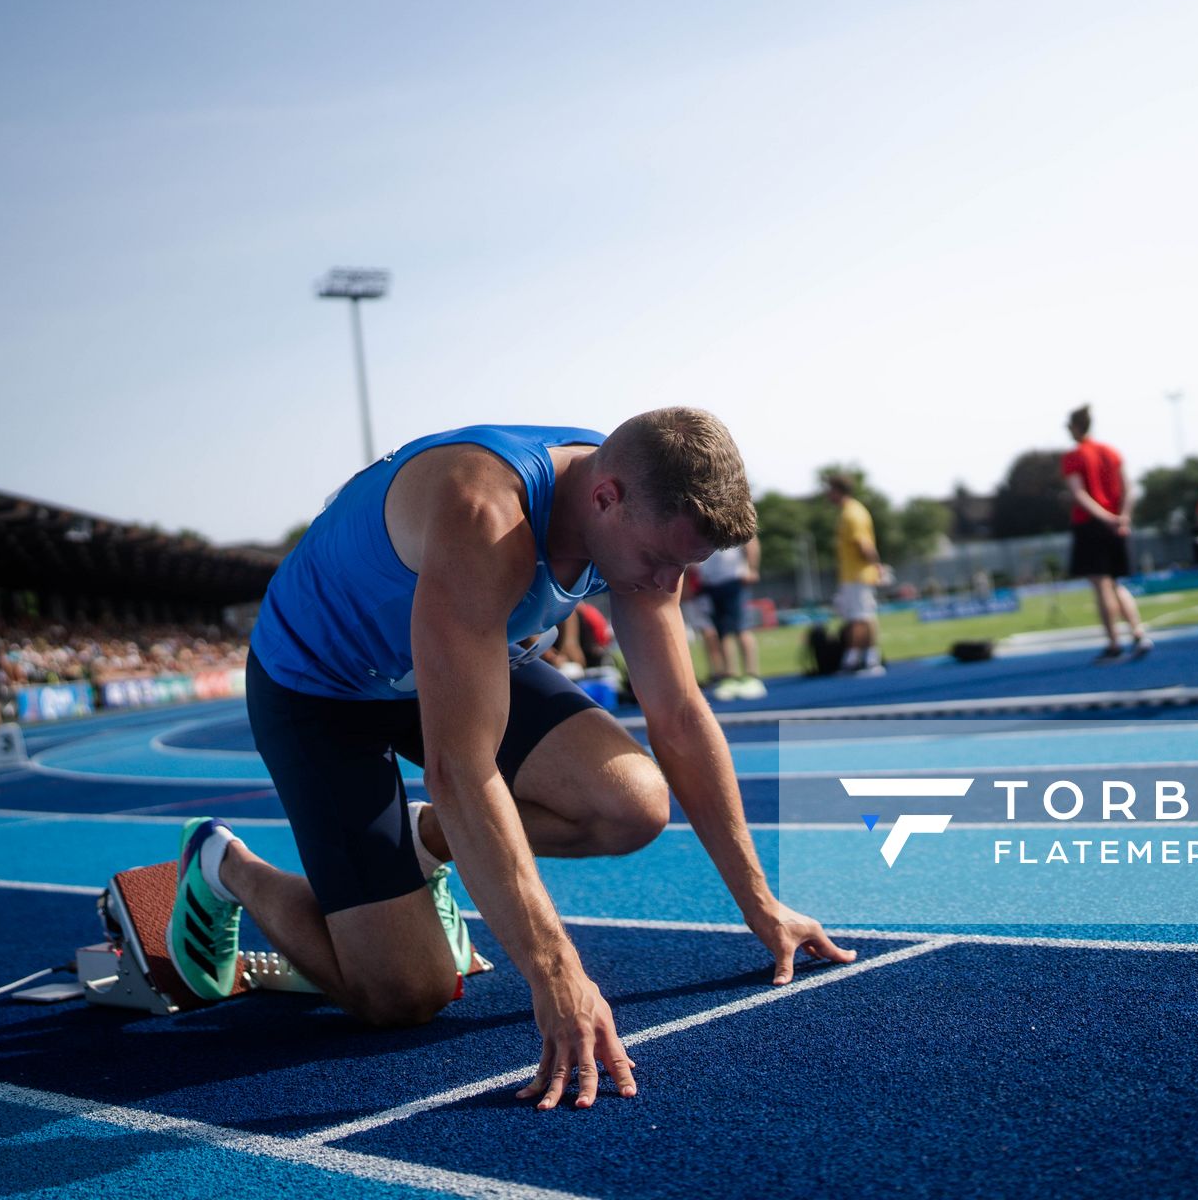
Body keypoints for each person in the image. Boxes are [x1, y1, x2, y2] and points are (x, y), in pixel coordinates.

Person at [177, 411, 852, 1112]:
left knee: (631, 805)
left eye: (684, 565)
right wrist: (555, 970)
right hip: (321, 687)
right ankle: (225, 866)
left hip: (453, 651)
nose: (667, 581)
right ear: (604, 498)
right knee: (402, 995)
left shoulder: (646, 518)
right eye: (661, 559)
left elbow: (679, 717)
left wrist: (761, 903)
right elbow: (461, 769)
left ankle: (425, 839)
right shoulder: (484, 515)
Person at [1062, 406, 1149, 660]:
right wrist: (1123, 517)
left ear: (1076, 427)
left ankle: (1114, 644)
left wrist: (1107, 518)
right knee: (1115, 582)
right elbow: (1129, 488)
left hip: (1092, 524)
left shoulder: (1075, 456)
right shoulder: (1111, 452)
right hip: (1116, 523)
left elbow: (1079, 494)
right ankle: (1138, 633)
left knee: (1101, 585)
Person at [823, 473, 885, 675]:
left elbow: (863, 544)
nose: (827, 494)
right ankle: (866, 658)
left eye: (830, 490)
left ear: (838, 490)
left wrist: (876, 565)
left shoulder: (852, 514)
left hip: (858, 574)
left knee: (860, 618)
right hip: (853, 574)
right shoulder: (849, 512)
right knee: (861, 617)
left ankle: (859, 660)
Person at [696, 539, 765, 701]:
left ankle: (752, 675)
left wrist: (752, 568)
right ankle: (730, 676)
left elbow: (750, 541)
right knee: (722, 632)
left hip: (734, 579)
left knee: (742, 628)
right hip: (712, 583)